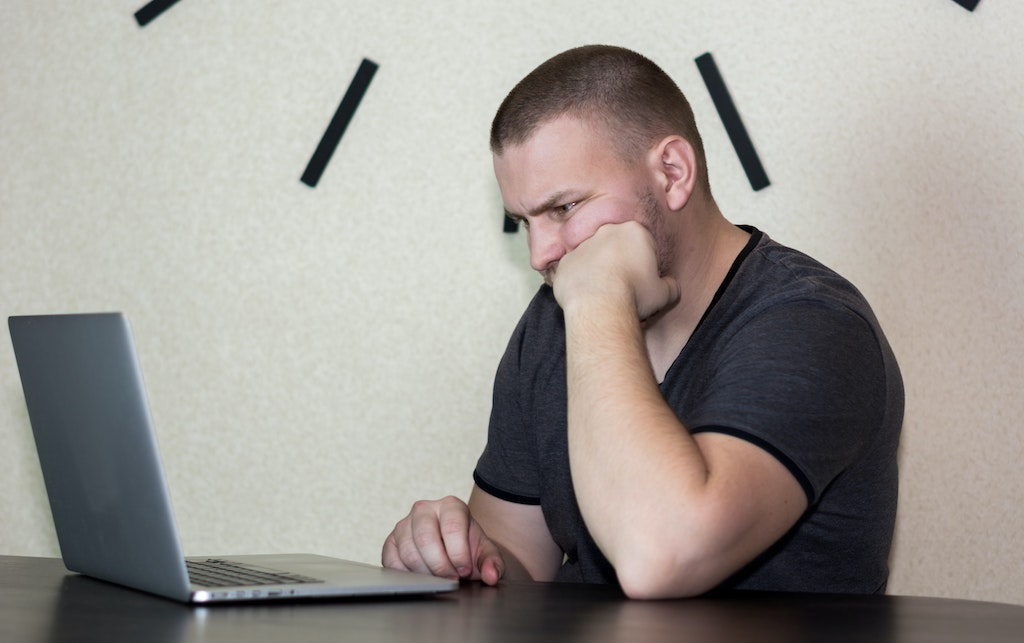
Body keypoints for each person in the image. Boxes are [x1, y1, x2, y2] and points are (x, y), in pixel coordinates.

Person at [382, 45, 904, 600]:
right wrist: (453, 555)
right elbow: (516, 564)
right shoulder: (553, 322)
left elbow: (661, 556)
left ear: (672, 173)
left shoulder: (814, 324)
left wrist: (599, 300)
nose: (540, 253)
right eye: (524, 221)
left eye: (564, 209)